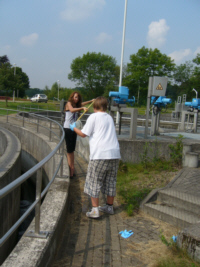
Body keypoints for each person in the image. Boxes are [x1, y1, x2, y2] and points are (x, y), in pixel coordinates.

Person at [70, 96, 121, 218]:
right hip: (114, 154)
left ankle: (95, 210)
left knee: (94, 181)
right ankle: (109, 207)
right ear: (106, 107)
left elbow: (83, 134)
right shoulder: (109, 117)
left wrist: (74, 128)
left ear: (95, 107)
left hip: (100, 155)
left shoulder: (93, 117)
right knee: (110, 181)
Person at [64, 91, 94, 179]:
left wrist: (91, 101)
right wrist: (82, 108)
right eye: (74, 97)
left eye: (77, 97)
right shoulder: (68, 103)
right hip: (68, 129)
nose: (76, 99)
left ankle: (72, 169)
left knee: (72, 150)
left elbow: (82, 104)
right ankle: (71, 170)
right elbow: (72, 110)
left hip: (74, 129)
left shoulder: (77, 105)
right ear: (72, 97)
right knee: (69, 150)